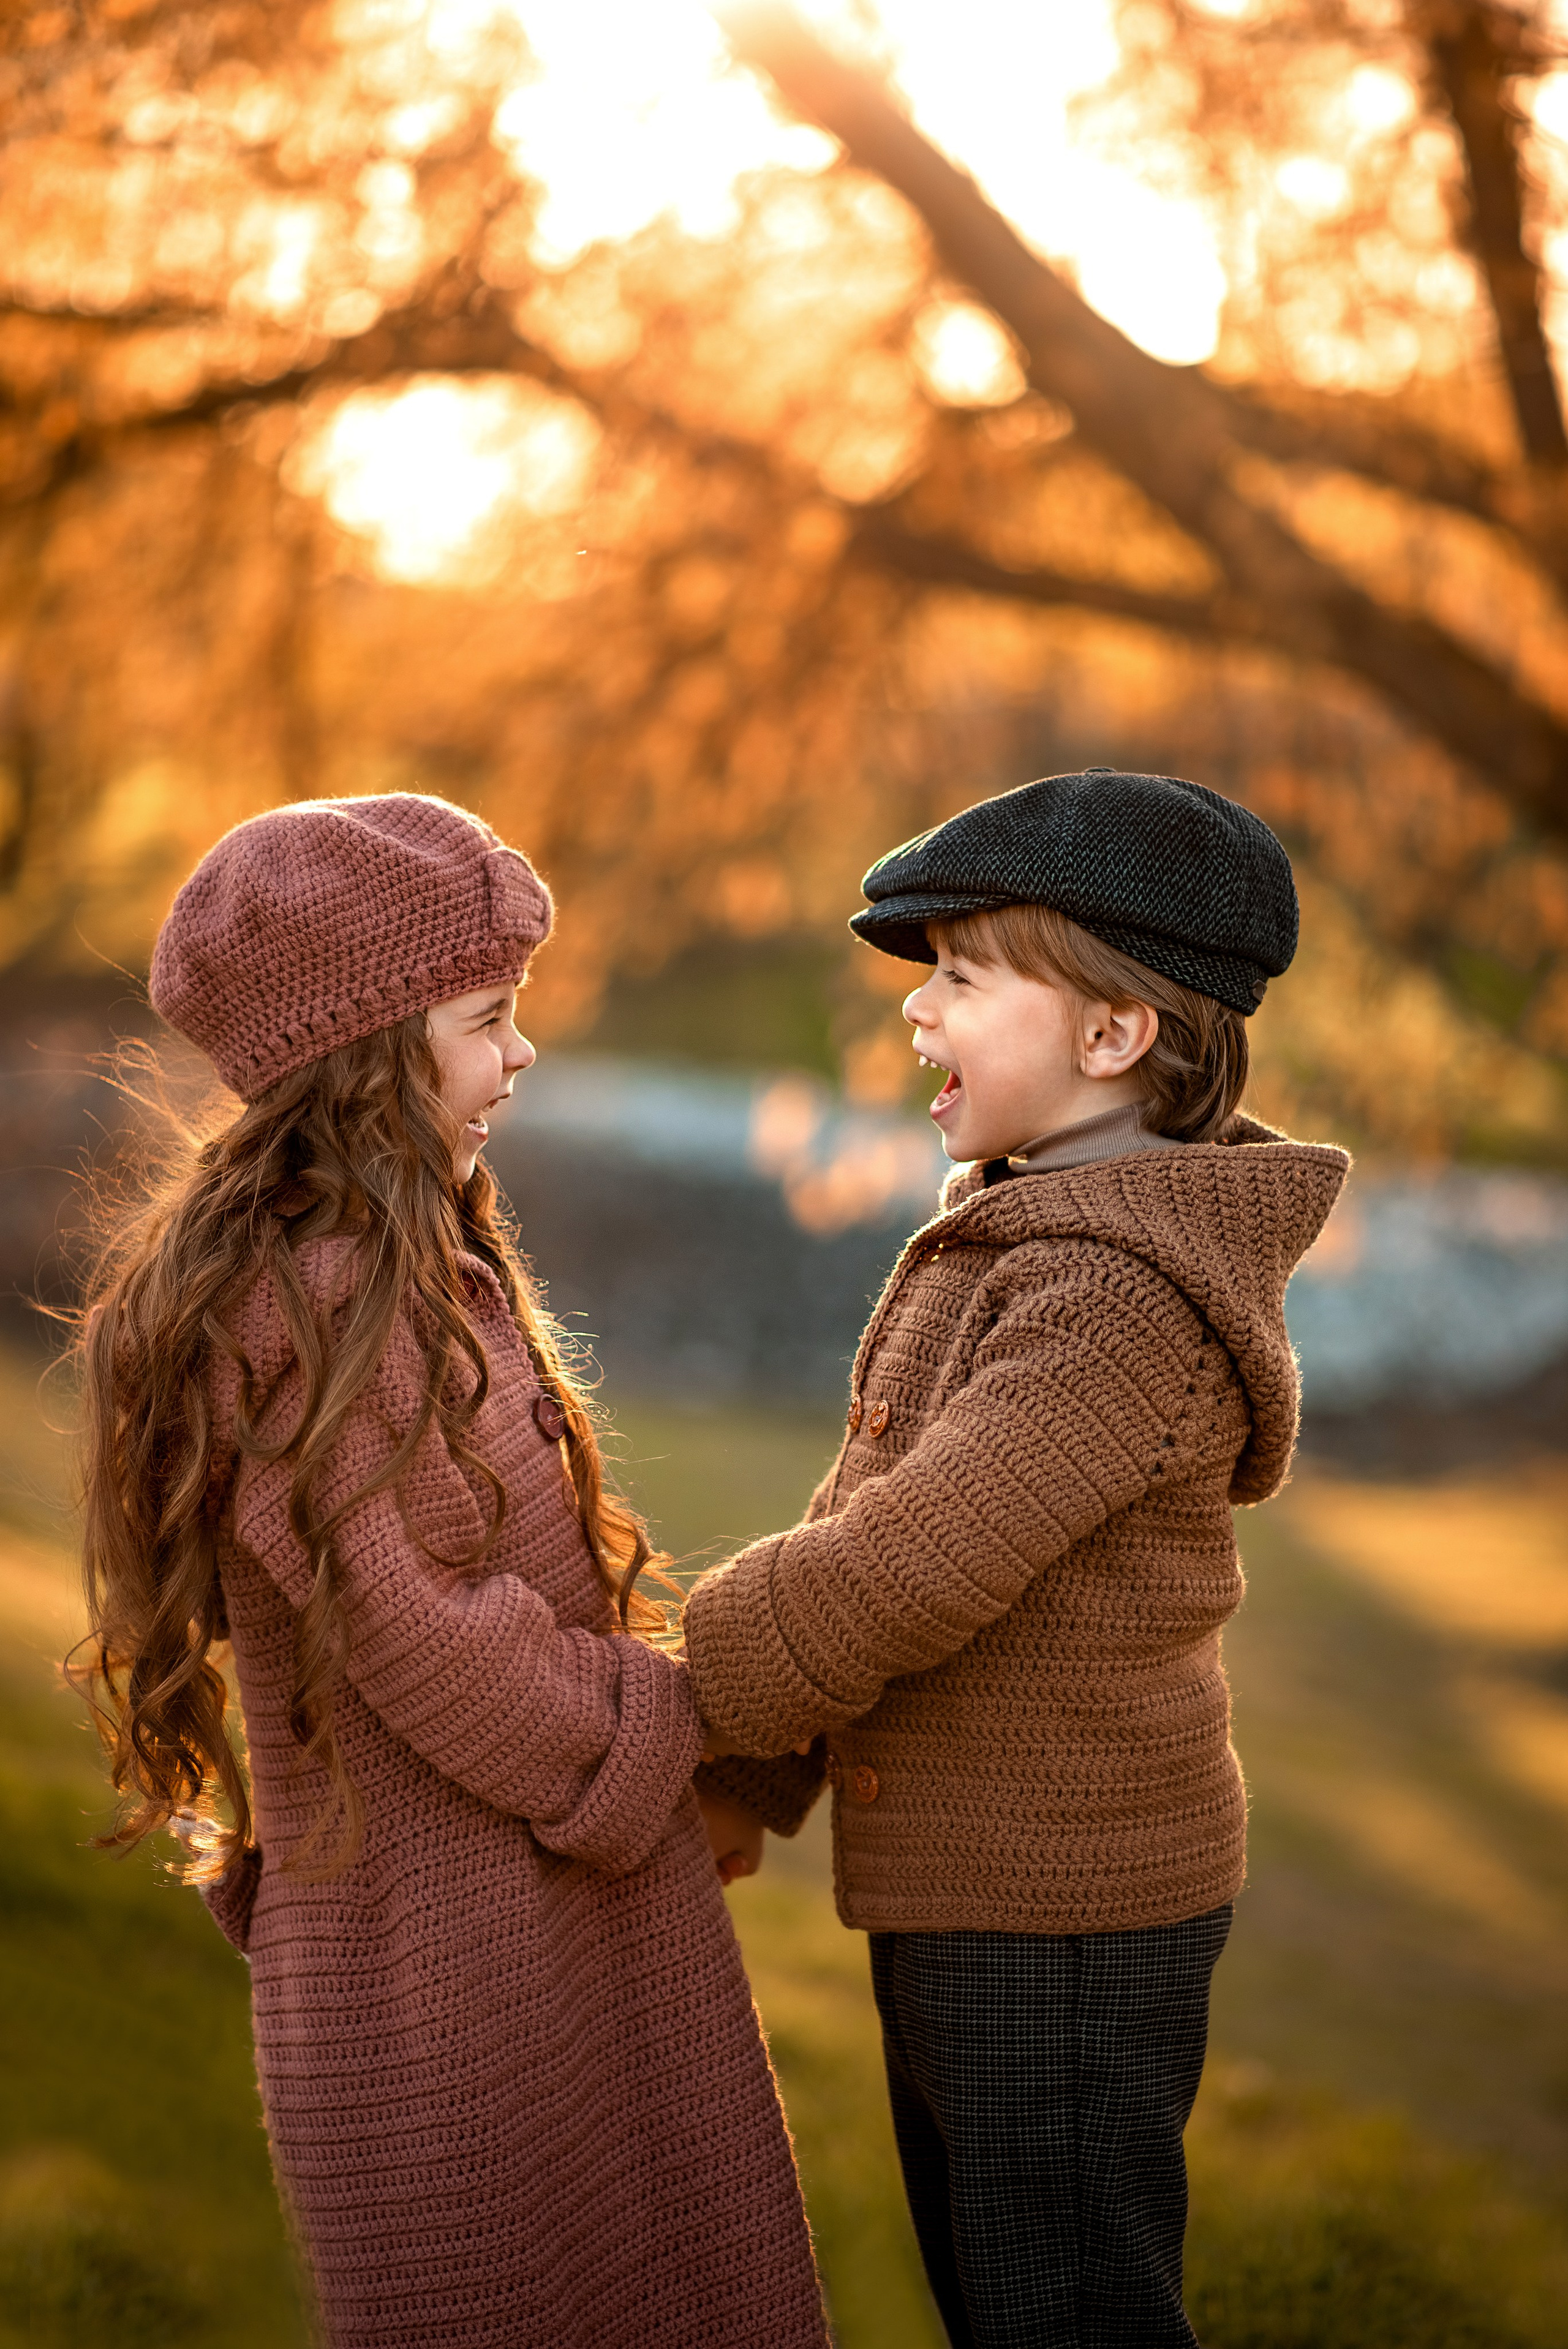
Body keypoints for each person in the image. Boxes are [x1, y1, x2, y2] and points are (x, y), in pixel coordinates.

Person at [72, 794, 827, 2349]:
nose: (522, 1053)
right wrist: (662, 1734)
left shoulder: (393, 1249)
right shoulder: (320, 1294)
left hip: (528, 1910)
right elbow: (423, 1630)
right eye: (489, 1017)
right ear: (364, 1050)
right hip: (451, 1960)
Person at [686, 768, 1351, 2348]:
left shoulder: (1117, 1298)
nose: (918, 1014)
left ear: (1113, 1036)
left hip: (1058, 1911)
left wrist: (689, 1690)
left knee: (1060, 2308)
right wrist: (756, 1775)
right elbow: (872, 1508)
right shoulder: (1031, 1225)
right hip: (976, 1887)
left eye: (964, 978)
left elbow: (910, 1566)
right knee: (1003, 2293)